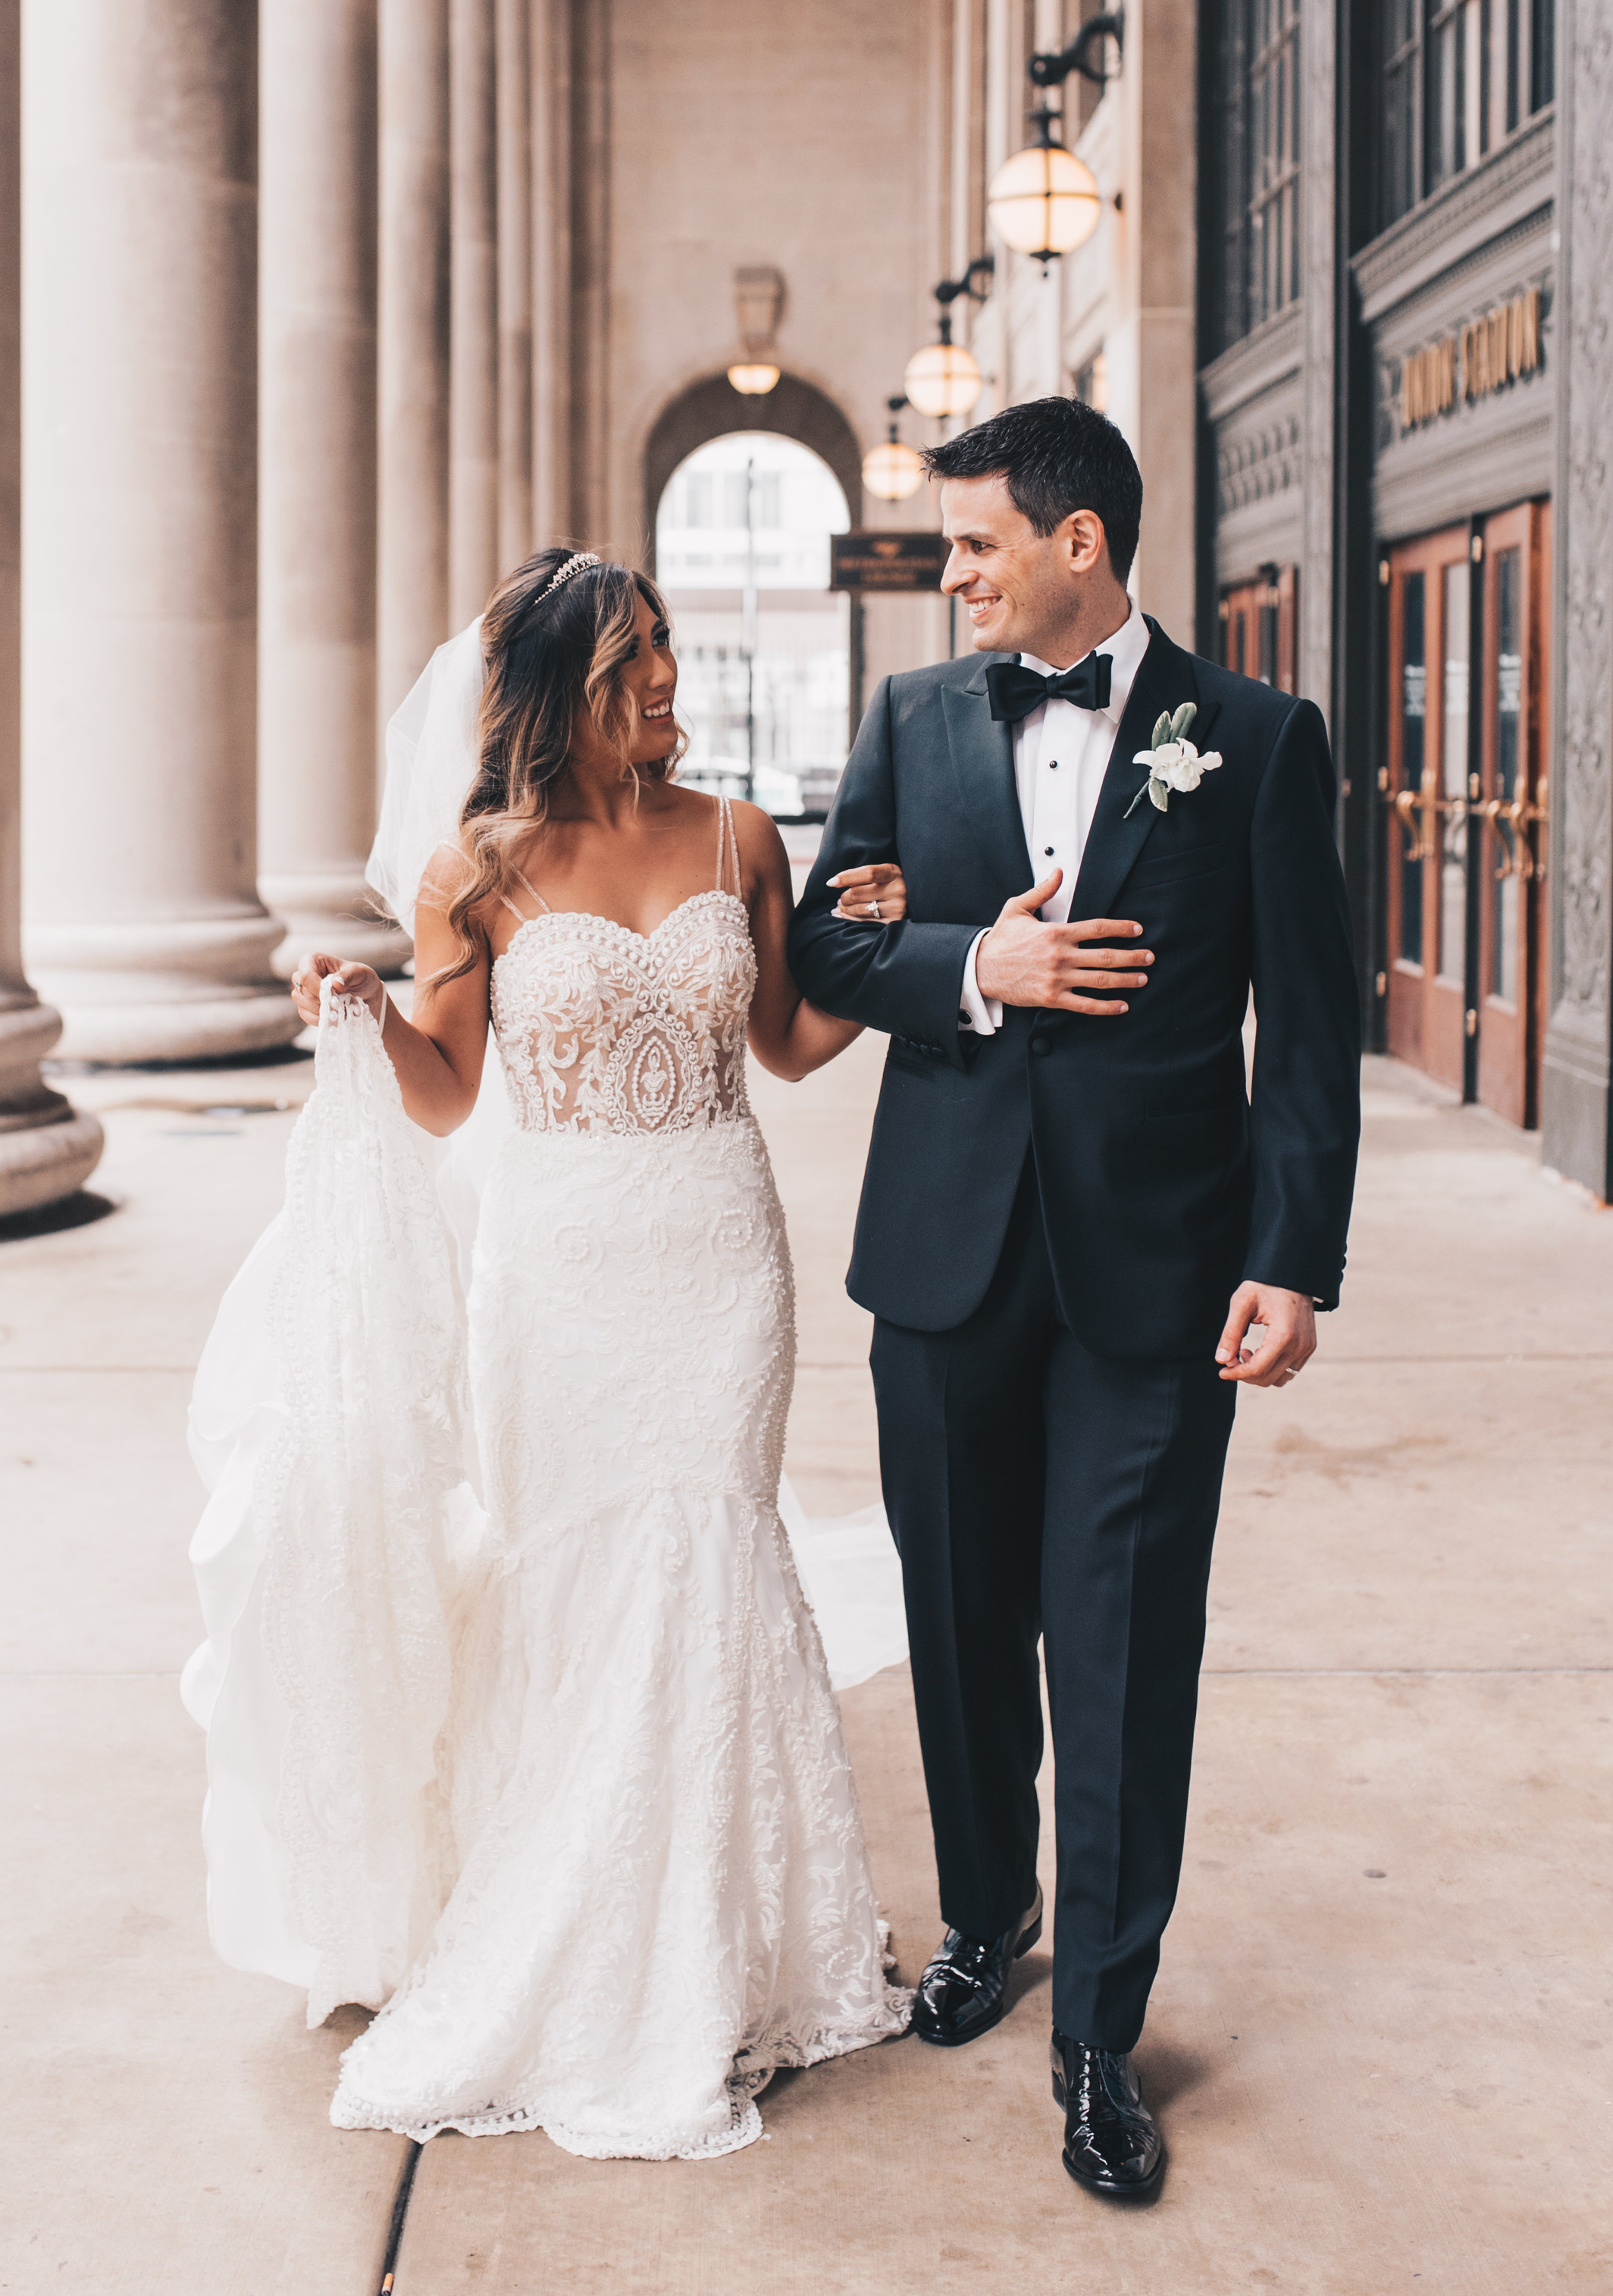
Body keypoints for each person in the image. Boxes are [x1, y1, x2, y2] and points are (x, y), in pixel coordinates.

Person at [185, 544, 916, 2163]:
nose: (664, 679)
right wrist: (368, 1018)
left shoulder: (738, 831)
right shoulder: (480, 869)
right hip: (564, 1270)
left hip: (719, 1257)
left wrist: (897, 956)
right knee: (577, 1575)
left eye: (663, 649)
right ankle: (566, 1931)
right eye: (631, 658)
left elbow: (786, 1045)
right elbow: (450, 1089)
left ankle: (707, 1944)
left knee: (709, 1558)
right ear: (556, 687)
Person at [788, 397, 1361, 2203]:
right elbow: (823, 945)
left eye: (970, 541)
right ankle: (984, 1910)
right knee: (958, 1624)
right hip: (945, 1257)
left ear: (1077, 544)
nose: (945, 569)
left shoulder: (1254, 740)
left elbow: (1311, 1030)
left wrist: (1290, 1251)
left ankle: (1097, 2036)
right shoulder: (906, 720)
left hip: (1157, 1275)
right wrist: (978, 960)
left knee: (1117, 1649)